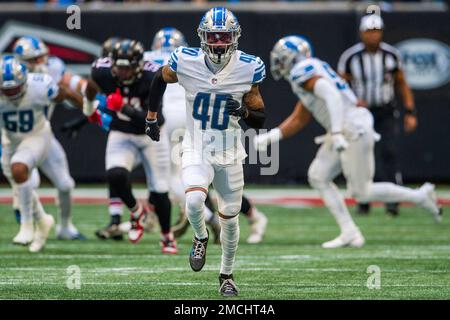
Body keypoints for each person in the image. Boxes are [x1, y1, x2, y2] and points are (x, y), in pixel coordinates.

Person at [254, 35, 442, 249]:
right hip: (347, 125)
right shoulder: (311, 71)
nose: (278, 63)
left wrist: (335, 132)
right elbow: (301, 116)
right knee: (319, 175)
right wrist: (271, 137)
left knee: (362, 191)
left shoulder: (302, 70)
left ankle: (420, 196)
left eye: (282, 58)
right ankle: (349, 232)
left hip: (350, 127)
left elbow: (332, 95)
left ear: (293, 58)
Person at [145, 7, 266, 296]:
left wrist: (244, 110)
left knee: (231, 219)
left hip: (229, 152)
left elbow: (260, 118)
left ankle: (226, 274)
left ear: (234, 38)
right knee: (195, 201)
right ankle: (200, 236)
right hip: (196, 147)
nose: (219, 42)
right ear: (203, 37)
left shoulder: (248, 67)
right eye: (214, 36)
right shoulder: (186, 60)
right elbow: (159, 79)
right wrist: (151, 116)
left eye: (225, 36)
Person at [83, 39, 176, 254]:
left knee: (160, 189)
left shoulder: (151, 76)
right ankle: (136, 212)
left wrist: (124, 108)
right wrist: (88, 110)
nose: (122, 72)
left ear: (138, 65)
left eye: (127, 67)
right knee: (115, 174)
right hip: (122, 132)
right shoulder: (102, 71)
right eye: (119, 67)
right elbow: (90, 85)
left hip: (151, 134)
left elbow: (152, 117)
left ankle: (167, 236)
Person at [0, 54, 83, 252]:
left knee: (30, 173)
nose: (12, 93)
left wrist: (90, 110)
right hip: (11, 140)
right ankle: (42, 220)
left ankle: (30, 224)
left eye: (15, 88)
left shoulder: (40, 83)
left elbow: (66, 93)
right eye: (7, 89)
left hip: (39, 135)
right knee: (22, 181)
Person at [337, 14, 417, 216]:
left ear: (381, 32)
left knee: (388, 153)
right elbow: (339, 86)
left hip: (385, 111)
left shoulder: (391, 55)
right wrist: (352, 102)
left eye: (377, 31)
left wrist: (410, 111)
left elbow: (402, 84)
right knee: (362, 155)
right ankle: (364, 200)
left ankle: (392, 202)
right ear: (361, 33)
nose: (373, 35)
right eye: (369, 31)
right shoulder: (350, 57)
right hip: (360, 113)